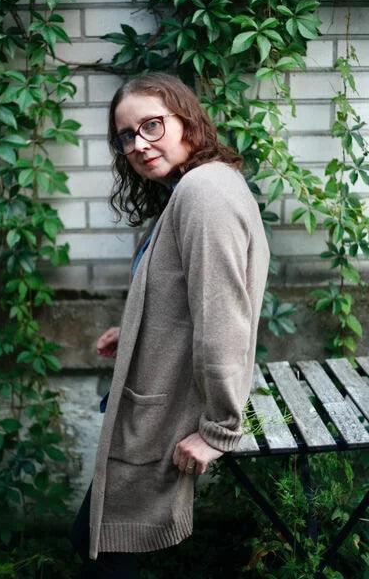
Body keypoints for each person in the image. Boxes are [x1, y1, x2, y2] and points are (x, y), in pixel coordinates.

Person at [70, 72, 270, 578]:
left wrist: (220, 432)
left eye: (151, 125)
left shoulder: (205, 192)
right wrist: (135, 331)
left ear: (187, 121)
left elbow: (224, 316)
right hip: (156, 399)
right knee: (96, 538)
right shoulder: (198, 186)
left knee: (105, 549)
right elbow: (188, 297)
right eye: (126, 135)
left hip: (167, 411)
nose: (138, 144)